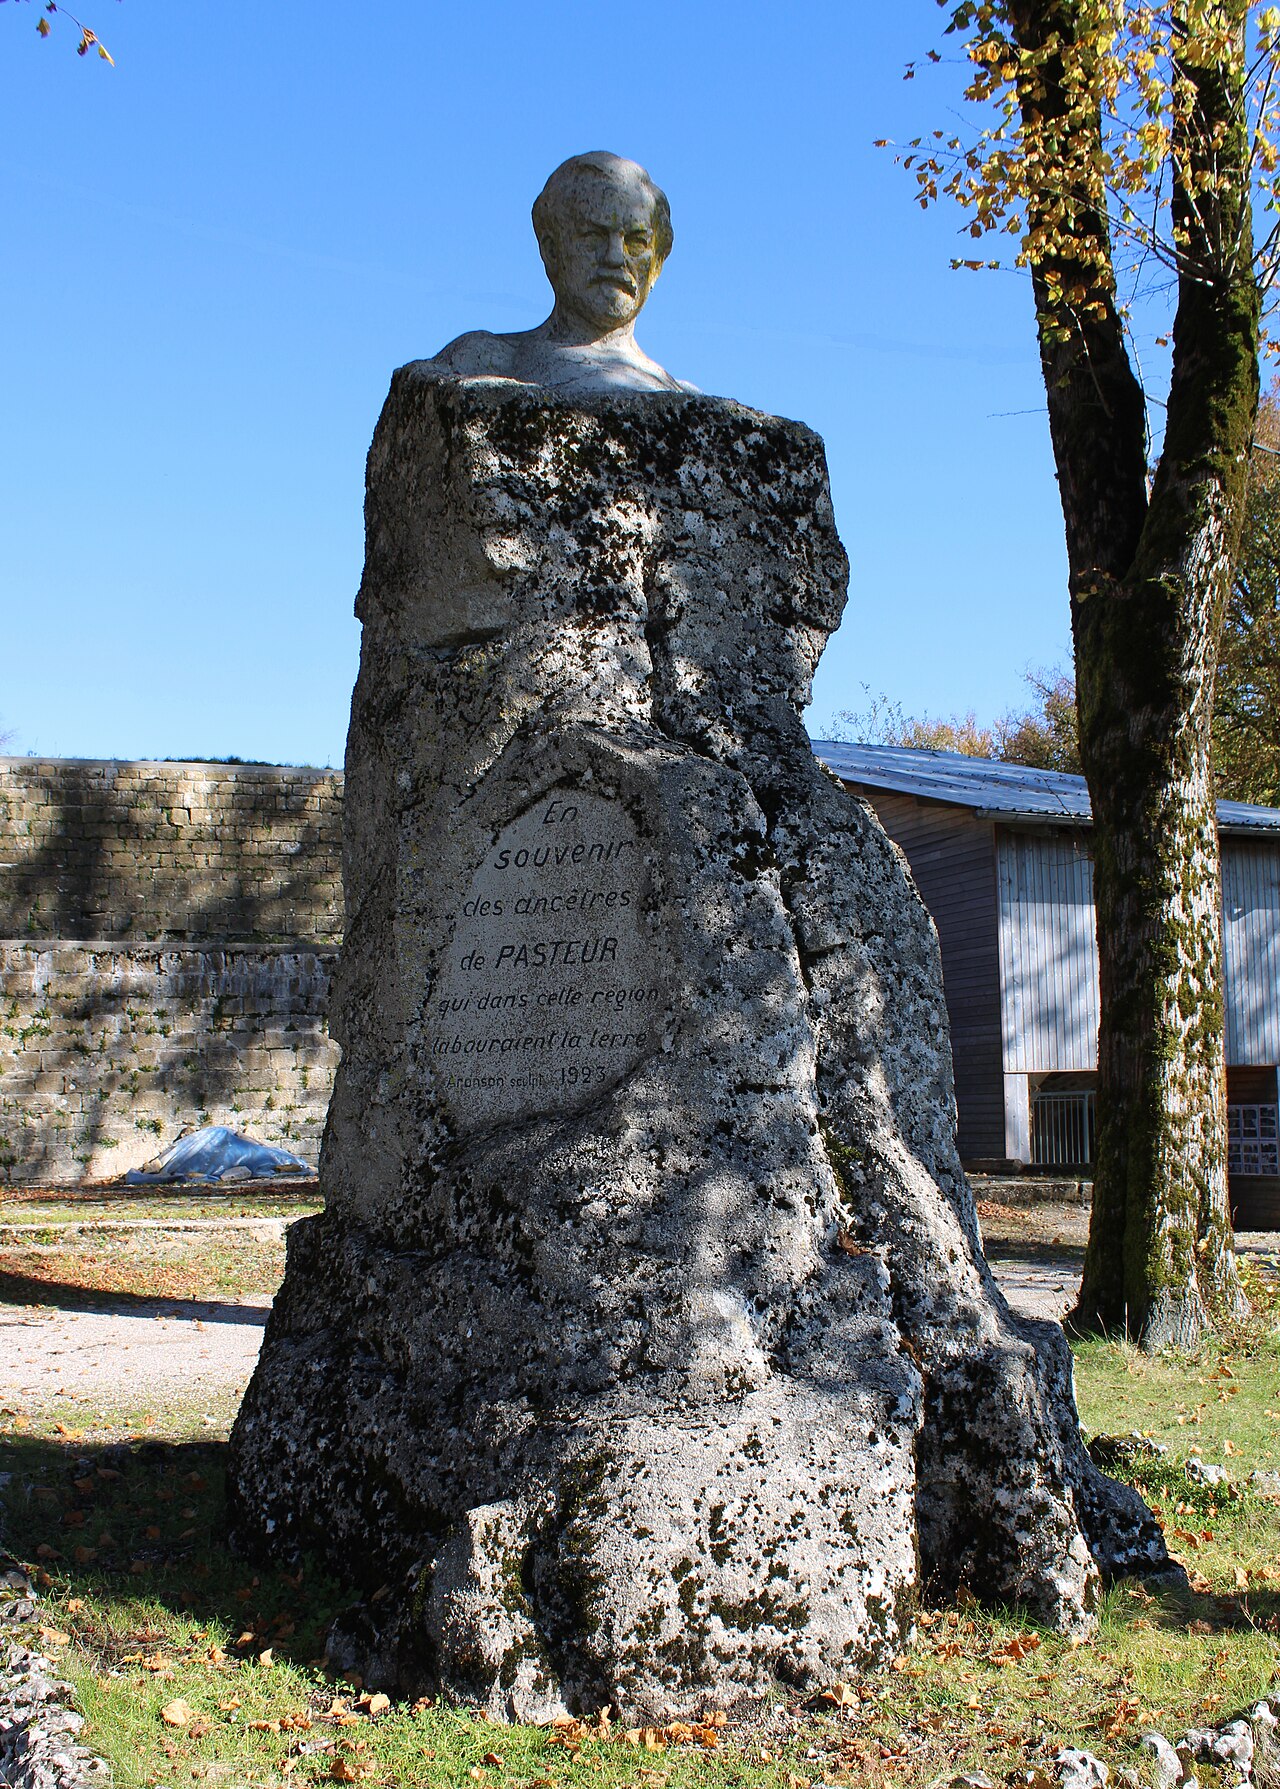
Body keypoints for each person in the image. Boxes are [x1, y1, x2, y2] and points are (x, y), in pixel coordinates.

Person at [429, 151, 696, 398]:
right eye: (593, 236)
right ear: (552, 250)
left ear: (657, 263)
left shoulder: (682, 396)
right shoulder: (481, 362)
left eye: (636, 242)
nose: (615, 257)